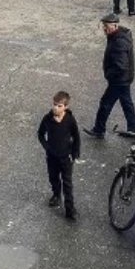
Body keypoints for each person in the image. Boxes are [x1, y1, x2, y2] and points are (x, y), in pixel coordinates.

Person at [87, 14, 135, 139]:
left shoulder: (118, 42)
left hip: (119, 80)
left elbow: (121, 65)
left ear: (115, 25)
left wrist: (109, 75)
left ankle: (99, 129)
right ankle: (133, 130)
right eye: (103, 26)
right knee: (126, 103)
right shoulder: (119, 35)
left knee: (106, 103)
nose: (104, 28)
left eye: (106, 26)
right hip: (124, 79)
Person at [38, 91, 81, 220]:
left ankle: (70, 209)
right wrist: (47, 148)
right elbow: (40, 134)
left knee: (67, 183)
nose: (55, 108)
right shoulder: (47, 119)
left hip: (65, 157)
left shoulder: (70, 120)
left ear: (66, 107)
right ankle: (56, 195)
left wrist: (74, 154)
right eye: (54, 104)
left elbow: (76, 137)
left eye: (59, 106)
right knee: (53, 178)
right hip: (52, 157)